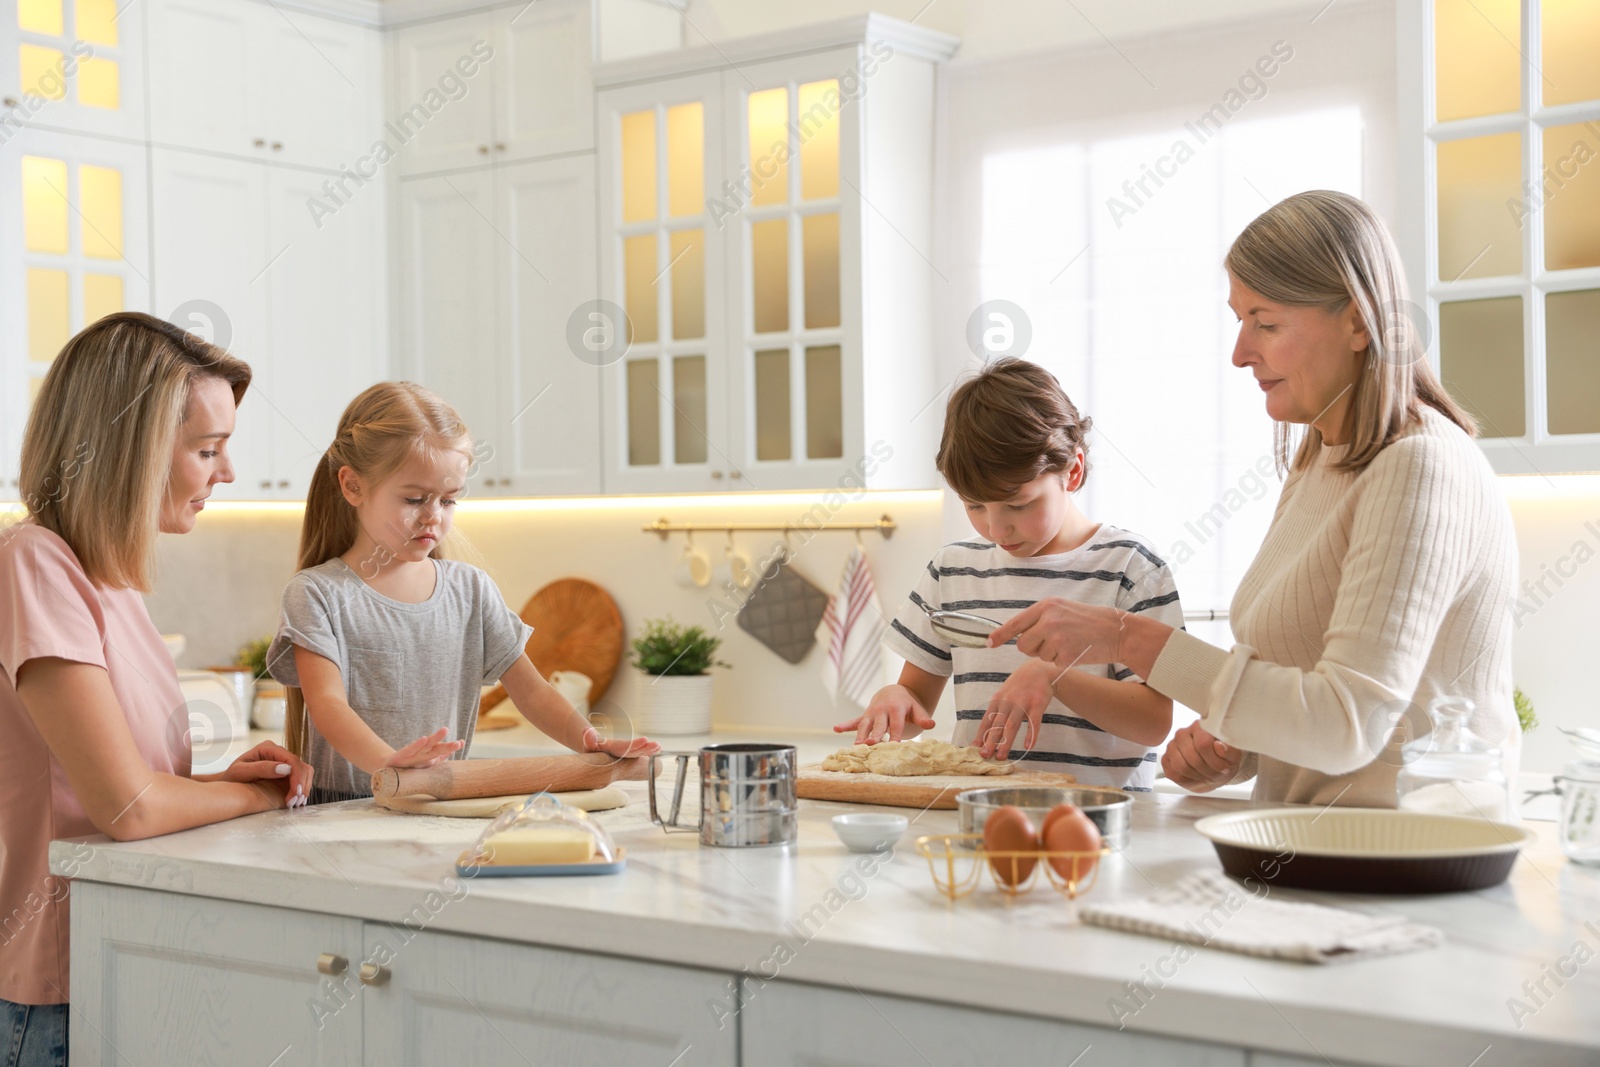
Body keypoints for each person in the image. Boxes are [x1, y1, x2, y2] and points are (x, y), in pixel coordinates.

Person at [992, 190, 1519, 807]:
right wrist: (1238, 752)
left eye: (1265, 323)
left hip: (1408, 860)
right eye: (1239, 320)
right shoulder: (1323, 456)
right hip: (1314, 849)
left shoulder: (1420, 465)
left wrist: (1125, 638)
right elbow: (1306, 696)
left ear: (1357, 320)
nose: (1241, 353)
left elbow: (1351, 724)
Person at [0, 312, 316, 1066]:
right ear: (131, 451)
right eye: (207, 449)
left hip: (121, 947)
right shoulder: (35, 561)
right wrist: (258, 796)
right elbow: (128, 807)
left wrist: (215, 781)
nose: (226, 472)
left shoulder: (111, 579)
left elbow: (103, 789)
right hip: (53, 980)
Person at [266, 382, 657, 805]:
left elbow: (533, 692)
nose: (432, 516)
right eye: (414, 498)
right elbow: (327, 705)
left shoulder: (471, 590)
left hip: (440, 807)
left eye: (449, 500)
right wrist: (392, 766)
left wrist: (592, 742)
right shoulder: (316, 594)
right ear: (353, 486)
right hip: (343, 812)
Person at [835, 359, 1186, 791]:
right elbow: (917, 703)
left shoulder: (1130, 567)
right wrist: (894, 701)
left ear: (1072, 471)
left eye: (1018, 505)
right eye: (975, 506)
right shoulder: (952, 570)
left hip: (1097, 823)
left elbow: (1153, 721)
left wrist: (1054, 679)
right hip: (978, 811)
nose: (997, 530)